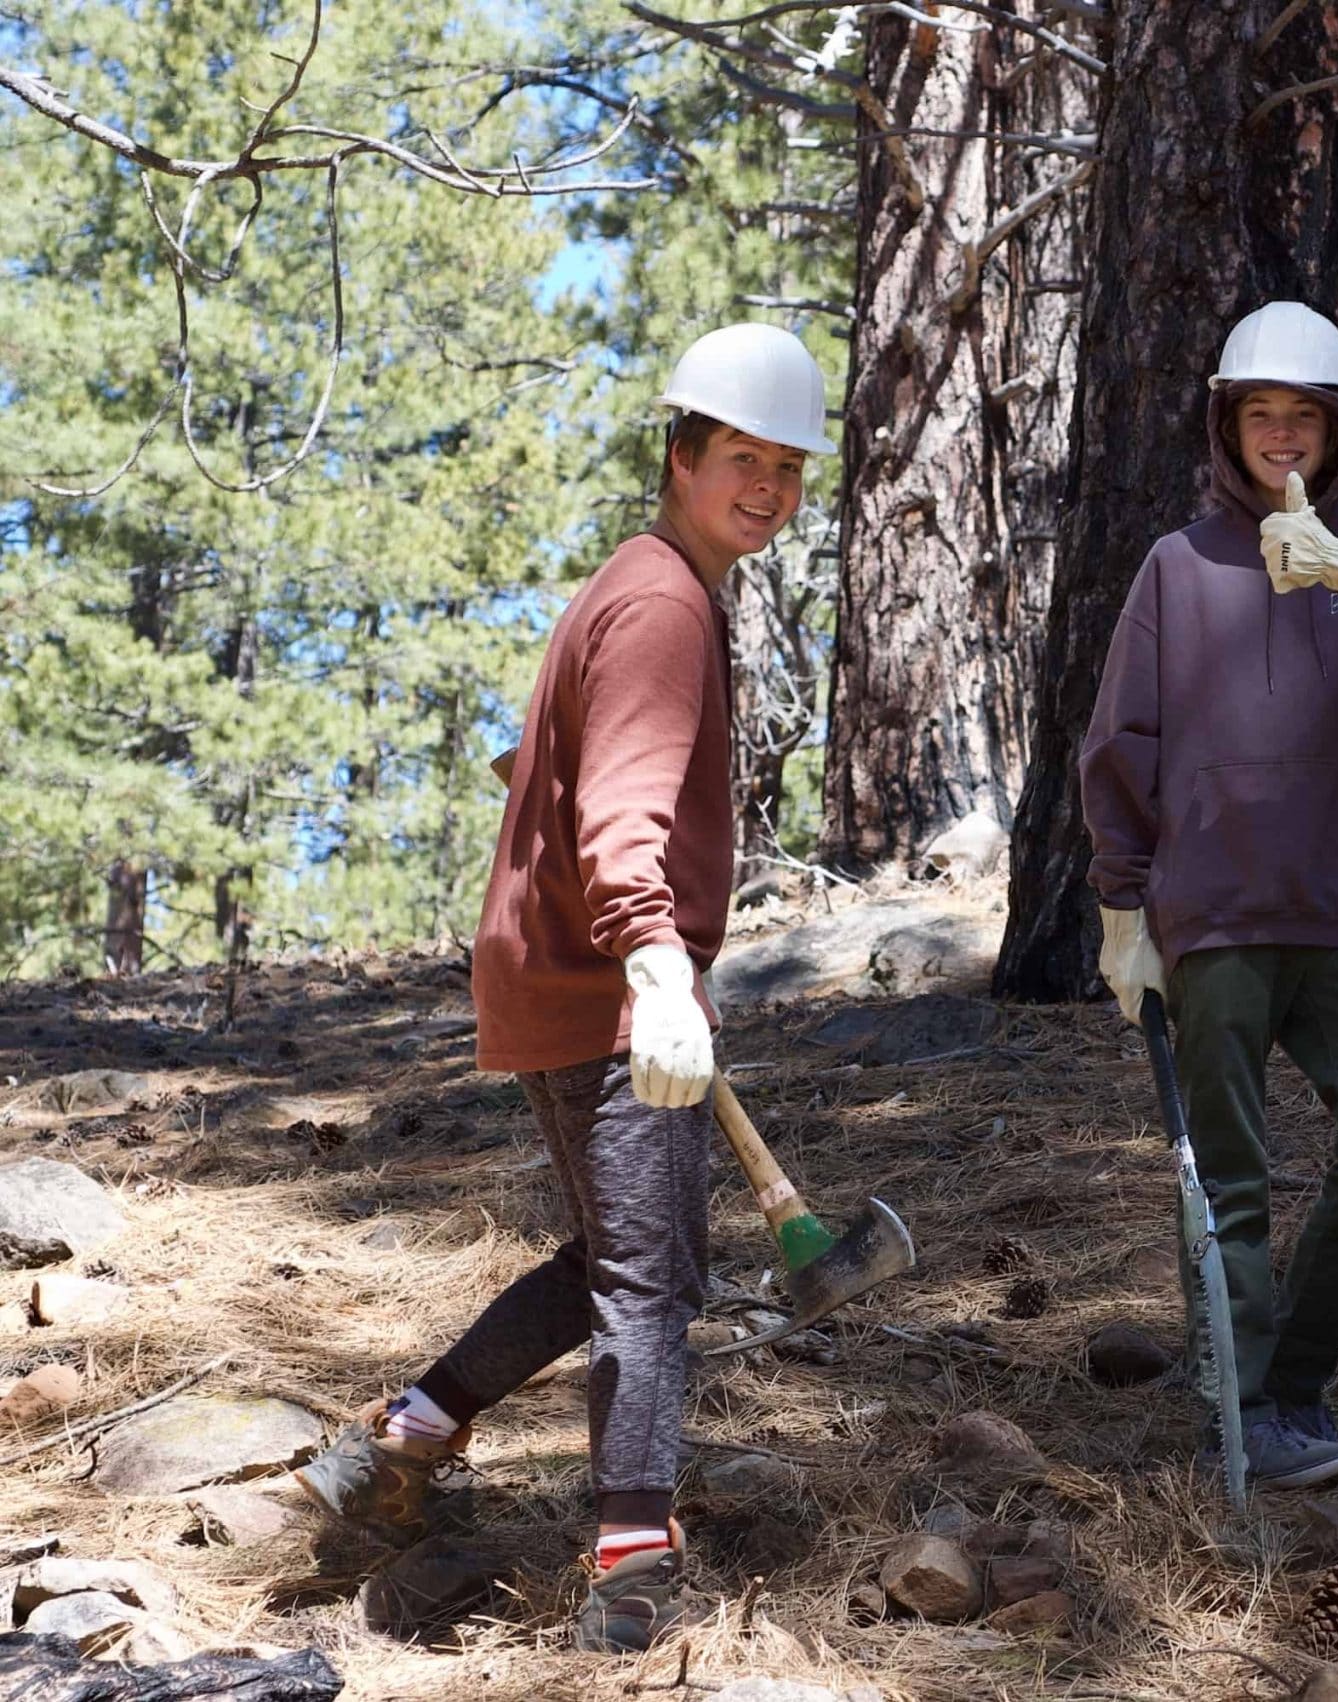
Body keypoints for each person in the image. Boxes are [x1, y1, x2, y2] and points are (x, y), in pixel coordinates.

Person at [292, 322, 836, 1653]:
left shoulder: (638, 583)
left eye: (788, 466)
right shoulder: (660, 604)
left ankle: (411, 1431)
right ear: (681, 455)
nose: (765, 486)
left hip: (572, 973)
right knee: (650, 1282)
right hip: (610, 985)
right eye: (741, 459)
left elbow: (587, 785)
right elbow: (626, 809)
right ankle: (633, 1574)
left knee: (623, 1257)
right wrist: (655, 962)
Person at [1080, 300, 1338, 1489]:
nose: (1283, 437)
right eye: (1261, 415)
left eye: (1305, 417)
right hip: (1212, 918)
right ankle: (1245, 1410)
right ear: (1227, 426)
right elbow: (1122, 740)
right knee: (1228, 1171)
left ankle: (1295, 1380)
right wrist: (1120, 908)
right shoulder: (1176, 565)